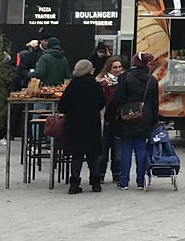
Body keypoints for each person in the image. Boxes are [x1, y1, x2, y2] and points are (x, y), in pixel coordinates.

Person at [108, 52, 159, 190]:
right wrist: (154, 121)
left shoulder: (125, 77)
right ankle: (140, 182)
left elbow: (118, 98)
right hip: (145, 117)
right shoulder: (152, 80)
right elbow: (155, 103)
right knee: (141, 147)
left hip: (128, 115)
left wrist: (110, 114)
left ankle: (124, 181)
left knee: (126, 147)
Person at [57, 59, 106, 193]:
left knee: (77, 155)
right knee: (93, 154)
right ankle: (96, 184)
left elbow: (62, 106)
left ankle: (74, 184)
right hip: (92, 123)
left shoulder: (72, 86)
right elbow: (102, 102)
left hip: (74, 124)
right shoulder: (95, 86)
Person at [96, 55, 125, 183]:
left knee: (117, 148)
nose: (118, 70)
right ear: (109, 68)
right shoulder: (101, 81)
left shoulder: (125, 81)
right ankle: (101, 173)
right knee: (103, 148)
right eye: (115, 67)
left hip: (119, 119)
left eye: (119, 67)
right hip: (105, 118)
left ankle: (117, 173)